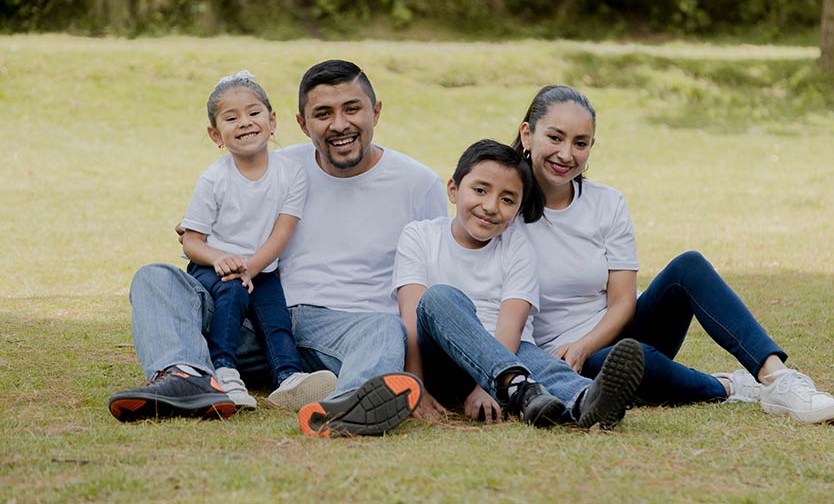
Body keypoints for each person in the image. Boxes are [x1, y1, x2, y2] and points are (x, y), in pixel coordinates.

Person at [109, 60, 447, 437]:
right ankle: (185, 376)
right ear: (301, 124)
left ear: (376, 112)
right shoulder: (275, 165)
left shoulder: (418, 183)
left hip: (348, 333)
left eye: (352, 109)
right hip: (257, 319)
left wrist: (420, 373)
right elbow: (218, 218)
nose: (339, 125)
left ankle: (349, 402)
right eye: (323, 114)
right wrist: (202, 238)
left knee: (386, 328)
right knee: (156, 277)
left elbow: (426, 283)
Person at [512, 85, 834, 424]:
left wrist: (586, 343)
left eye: (580, 143)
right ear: (528, 134)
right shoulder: (504, 212)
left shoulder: (607, 203)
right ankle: (728, 386)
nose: (566, 154)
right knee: (631, 360)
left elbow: (623, 303)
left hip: (617, 331)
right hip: (568, 361)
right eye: (555, 138)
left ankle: (778, 378)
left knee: (689, 266)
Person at [393, 139, 645, 430]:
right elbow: (411, 317)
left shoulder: (518, 247)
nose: (490, 206)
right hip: (442, 358)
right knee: (439, 298)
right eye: (480, 190)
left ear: (517, 211)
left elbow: (511, 326)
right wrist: (416, 385)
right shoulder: (420, 236)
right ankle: (519, 386)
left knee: (539, 361)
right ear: (453, 189)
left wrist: (488, 386)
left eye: (507, 199)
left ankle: (587, 400)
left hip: (508, 351)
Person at [179, 70, 336, 411]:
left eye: (254, 113)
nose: (245, 123)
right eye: (231, 118)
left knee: (275, 317)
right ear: (215, 134)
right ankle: (224, 371)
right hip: (213, 268)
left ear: (272, 120)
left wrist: (251, 267)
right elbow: (191, 242)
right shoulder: (214, 179)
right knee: (232, 292)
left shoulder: (291, 174)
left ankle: (289, 378)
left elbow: (282, 232)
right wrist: (221, 259)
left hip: (262, 267)